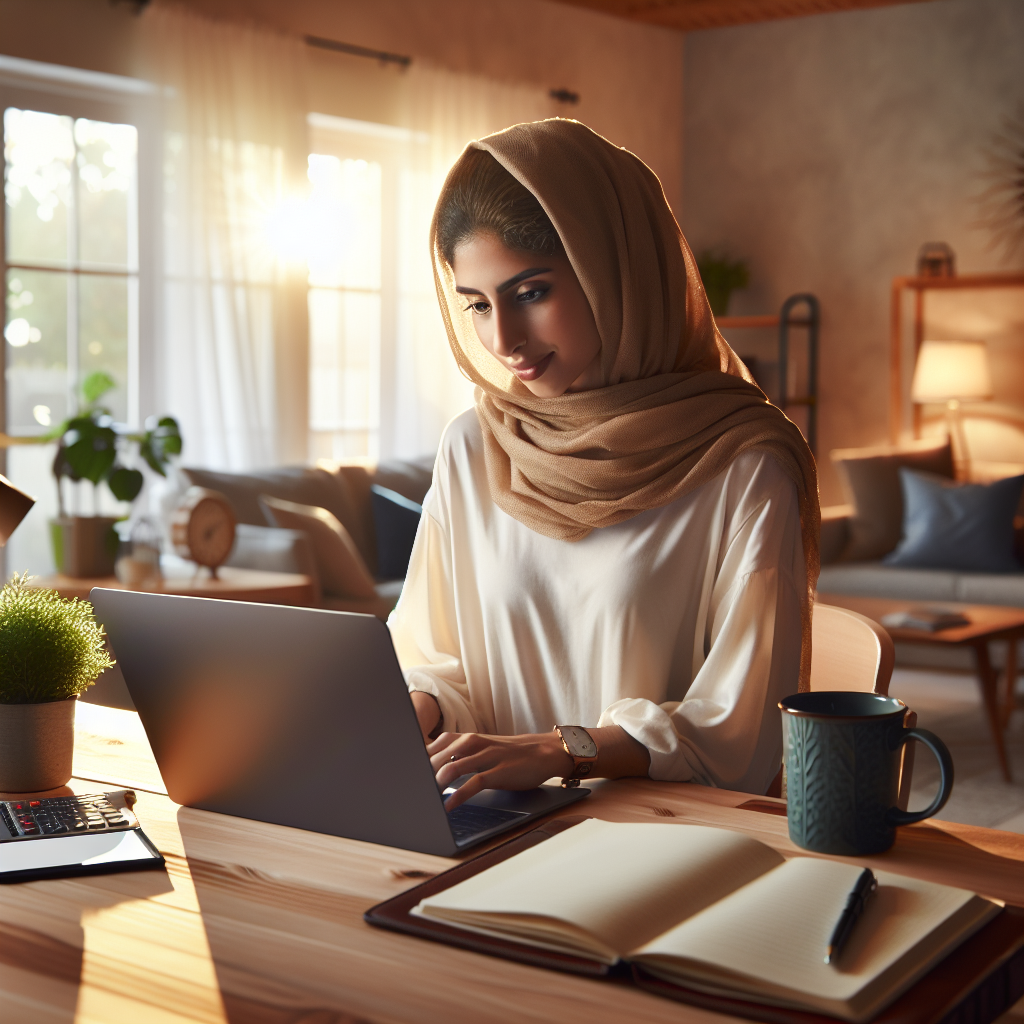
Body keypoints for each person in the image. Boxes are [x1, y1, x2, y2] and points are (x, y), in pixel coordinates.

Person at [388, 119, 819, 812]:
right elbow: (431, 651)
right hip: (482, 823)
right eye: (477, 304)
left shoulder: (744, 464)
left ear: (614, 271)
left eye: (530, 293)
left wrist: (562, 750)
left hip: (656, 837)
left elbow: (738, 733)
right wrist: (417, 709)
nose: (504, 340)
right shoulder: (476, 445)